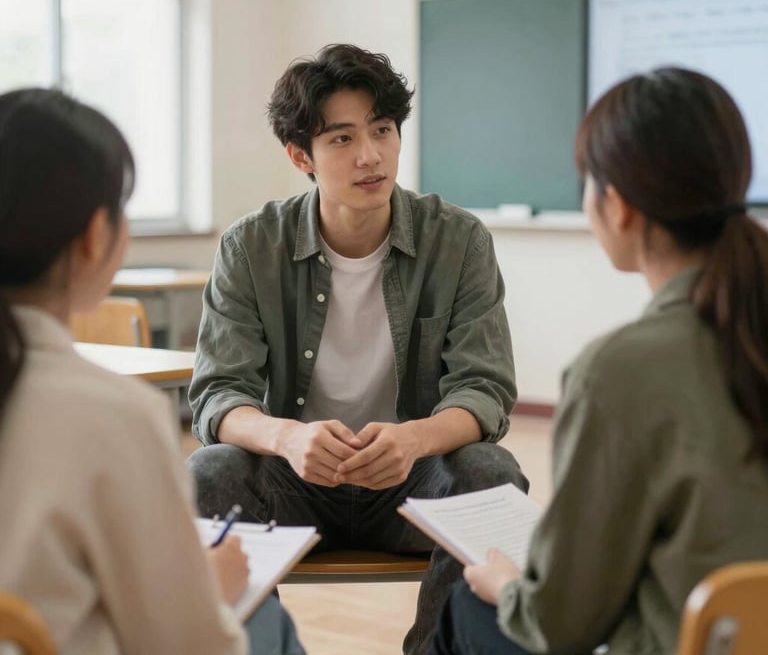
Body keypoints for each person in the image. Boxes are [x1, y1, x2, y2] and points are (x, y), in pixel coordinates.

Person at [187, 43, 529, 655]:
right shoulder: (250, 245)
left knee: (492, 474)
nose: (370, 155)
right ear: (301, 156)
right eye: (342, 139)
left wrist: (414, 439)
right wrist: (288, 437)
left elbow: (484, 389)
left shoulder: (458, 240)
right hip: (295, 480)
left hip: (410, 482)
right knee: (207, 473)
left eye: (382, 130)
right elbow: (218, 393)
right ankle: (268, 646)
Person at [428, 67, 768, 655]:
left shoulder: (618, 373)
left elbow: (560, 626)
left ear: (619, 206)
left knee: (469, 606)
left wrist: (509, 584)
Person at [0, 88, 305, 655]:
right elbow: (188, 644)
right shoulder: (111, 415)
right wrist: (215, 585)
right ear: (96, 236)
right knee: (264, 622)